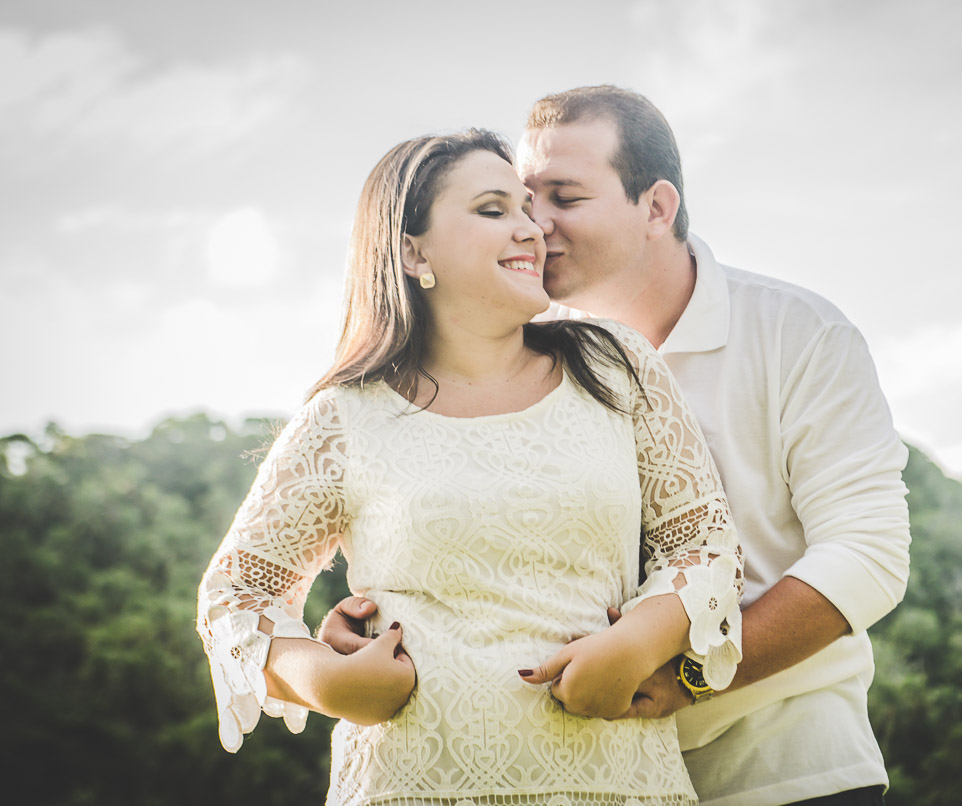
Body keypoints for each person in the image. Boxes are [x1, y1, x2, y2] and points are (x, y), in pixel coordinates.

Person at [322, 87, 911, 806]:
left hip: (786, 764)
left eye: (562, 196)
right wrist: (381, 617)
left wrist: (689, 673)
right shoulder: (513, 353)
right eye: (518, 198)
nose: (533, 223)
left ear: (656, 209)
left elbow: (868, 554)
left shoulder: (801, 334)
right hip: (584, 773)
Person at [196, 129, 744, 806]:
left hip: (617, 783)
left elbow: (701, 540)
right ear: (411, 249)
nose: (532, 229)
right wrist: (324, 680)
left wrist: (637, 642)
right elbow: (235, 595)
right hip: (407, 788)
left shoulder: (616, 366)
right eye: (494, 210)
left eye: (527, 209)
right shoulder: (344, 418)